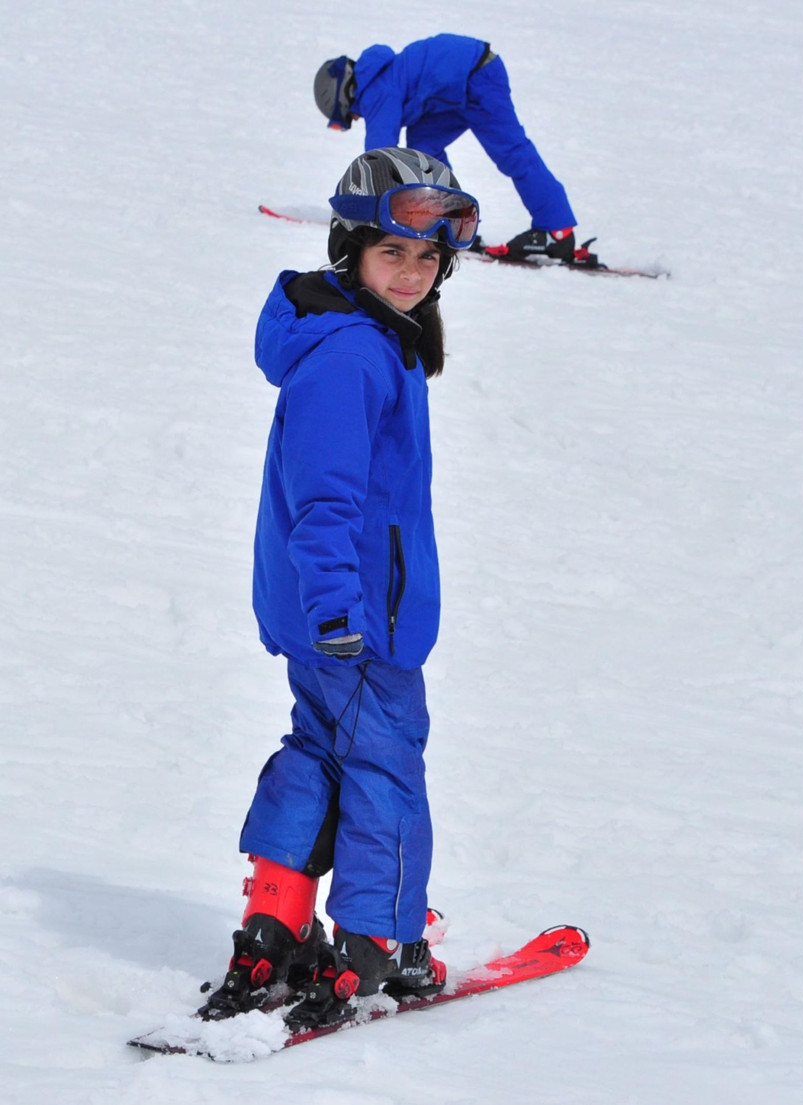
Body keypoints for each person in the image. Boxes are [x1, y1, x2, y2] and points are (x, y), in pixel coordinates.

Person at [200, 146, 479, 1031]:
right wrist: (337, 607)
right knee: (385, 766)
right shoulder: (355, 356)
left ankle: (274, 922)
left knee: (319, 748)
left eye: (427, 258)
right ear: (350, 249)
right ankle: (375, 942)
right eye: (392, 253)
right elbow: (325, 500)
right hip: (357, 618)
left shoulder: (351, 340)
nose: (411, 273)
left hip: (330, 610)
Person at [314, 33, 578, 264]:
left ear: (344, 96)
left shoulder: (376, 91)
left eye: (350, 117)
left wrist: (363, 212)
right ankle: (451, 220)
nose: (357, 119)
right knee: (424, 151)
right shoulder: (381, 80)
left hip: (477, 76)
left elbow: (379, 157)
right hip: (453, 94)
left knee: (513, 153)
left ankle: (557, 231)